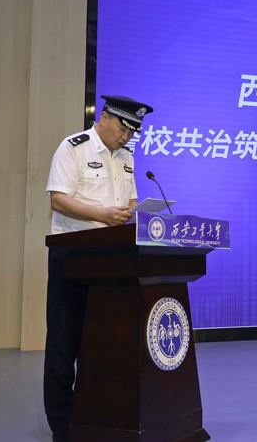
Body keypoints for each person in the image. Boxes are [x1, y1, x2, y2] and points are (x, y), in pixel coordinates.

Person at [43, 95, 153, 442]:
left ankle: (99, 416)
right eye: (123, 128)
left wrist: (135, 212)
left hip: (113, 257)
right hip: (74, 255)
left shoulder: (126, 157)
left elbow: (131, 200)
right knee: (65, 342)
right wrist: (101, 215)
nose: (126, 136)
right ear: (104, 118)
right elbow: (58, 198)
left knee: (106, 340)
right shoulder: (73, 147)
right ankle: (63, 427)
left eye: (132, 132)